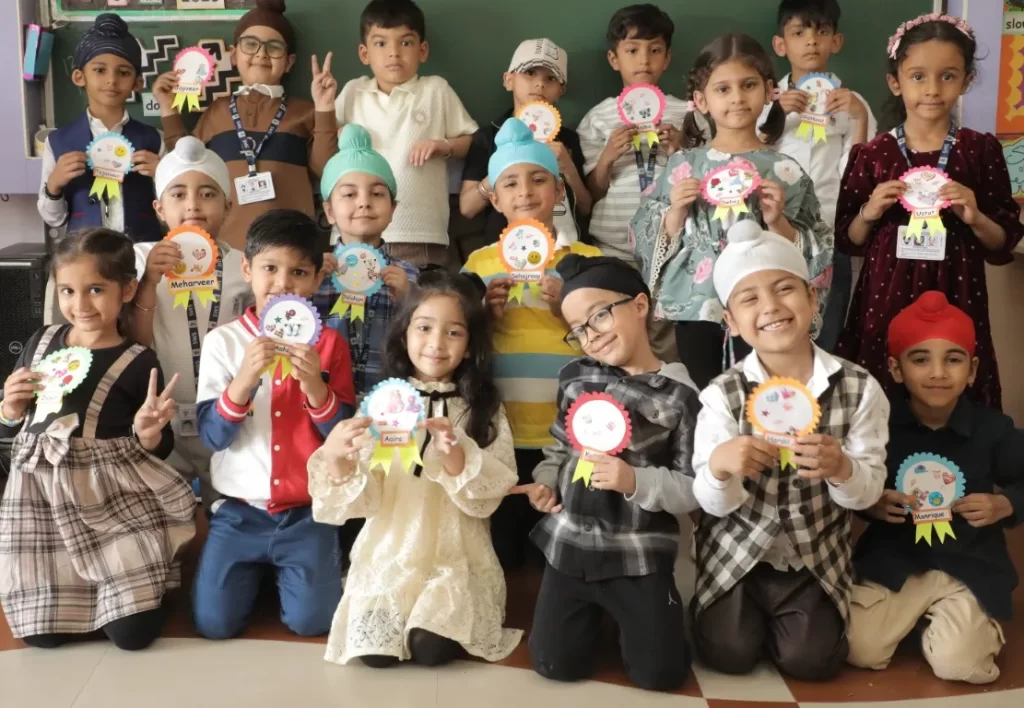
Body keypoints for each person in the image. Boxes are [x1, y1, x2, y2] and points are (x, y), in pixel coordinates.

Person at [691, 220, 888, 680]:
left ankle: (792, 617)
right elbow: (709, 501)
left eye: (785, 289)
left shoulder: (859, 388)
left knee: (812, 661)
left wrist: (842, 468)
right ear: (731, 322)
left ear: (812, 298)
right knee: (728, 653)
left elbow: (869, 491)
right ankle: (736, 610)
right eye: (749, 298)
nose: (771, 307)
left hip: (814, 555)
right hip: (737, 551)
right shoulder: (721, 394)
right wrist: (720, 467)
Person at [308, 269, 521, 668]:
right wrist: (337, 459)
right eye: (424, 328)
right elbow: (366, 498)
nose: (436, 344)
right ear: (404, 334)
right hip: (390, 550)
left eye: (453, 332)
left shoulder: (481, 406)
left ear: (470, 345)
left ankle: (440, 611)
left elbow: (490, 492)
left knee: (430, 648)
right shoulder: (382, 402)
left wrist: (455, 454)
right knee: (374, 655)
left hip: (454, 554)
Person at [0, 229, 195, 650]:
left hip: (110, 499)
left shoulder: (138, 360)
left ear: (127, 289)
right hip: (41, 500)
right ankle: (82, 596)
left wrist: (148, 433)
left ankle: (139, 587)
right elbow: (10, 426)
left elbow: (158, 448)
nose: (81, 305)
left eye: (96, 289)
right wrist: (9, 410)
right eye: (68, 291)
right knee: (41, 637)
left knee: (133, 636)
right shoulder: (40, 342)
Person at [513, 255, 699, 692]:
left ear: (640, 305)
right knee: (553, 664)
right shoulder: (574, 377)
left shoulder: (680, 396)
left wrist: (635, 481)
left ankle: (632, 617)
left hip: (637, 553)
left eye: (599, 316)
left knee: (660, 675)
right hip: (571, 545)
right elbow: (559, 446)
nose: (591, 335)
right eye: (578, 329)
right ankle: (593, 614)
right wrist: (546, 480)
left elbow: (693, 489)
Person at [834, 14, 1023, 411]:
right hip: (884, 295)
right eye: (918, 76)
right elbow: (848, 237)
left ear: (967, 80)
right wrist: (869, 211)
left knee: (950, 382)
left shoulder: (979, 150)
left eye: (948, 76)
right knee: (884, 385)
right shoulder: (873, 154)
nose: (933, 90)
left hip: (957, 292)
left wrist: (976, 217)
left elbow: (1002, 241)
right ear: (895, 82)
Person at [631, 32, 834, 390]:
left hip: (764, 307)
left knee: (762, 390)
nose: (737, 97)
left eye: (748, 85)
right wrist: (675, 212)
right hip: (698, 306)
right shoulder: (683, 165)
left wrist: (778, 221)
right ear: (701, 100)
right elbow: (645, 234)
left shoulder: (786, 170)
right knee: (707, 393)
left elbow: (816, 245)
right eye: (723, 89)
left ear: (769, 91)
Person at [192, 209, 356, 639]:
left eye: (298, 272)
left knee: (312, 622)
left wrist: (316, 388)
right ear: (247, 269)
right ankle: (263, 572)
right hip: (239, 512)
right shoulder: (223, 342)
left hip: (308, 512)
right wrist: (243, 381)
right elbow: (212, 436)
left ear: (317, 279)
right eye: (270, 268)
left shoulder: (330, 344)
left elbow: (343, 435)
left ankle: (284, 573)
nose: (283, 283)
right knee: (214, 624)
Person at [848, 291, 1022, 684]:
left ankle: (956, 623)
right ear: (896, 369)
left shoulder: (994, 430)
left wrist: (1006, 503)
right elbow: (849, 481)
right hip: (896, 563)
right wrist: (870, 502)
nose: (938, 373)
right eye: (921, 359)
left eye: (953, 359)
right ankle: (918, 619)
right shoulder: (877, 428)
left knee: (962, 666)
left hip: (969, 568)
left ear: (972, 369)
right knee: (859, 649)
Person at [462, 118, 601, 570]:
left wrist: (569, 309)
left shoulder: (587, 263)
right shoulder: (477, 264)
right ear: (495, 199)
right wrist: (484, 317)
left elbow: (609, 344)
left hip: (570, 434)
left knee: (561, 551)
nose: (525, 191)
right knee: (502, 550)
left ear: (559, 191)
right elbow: (456, 345)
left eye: (539, 179)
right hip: (498, 433)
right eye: (511, 183)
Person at [153, 0, 339, 249]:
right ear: (234, 54)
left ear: (289, 62)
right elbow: (185, 163)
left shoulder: (304, 113)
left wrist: (324, 108)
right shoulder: (217, 112)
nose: (261, 54)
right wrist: (168, 109)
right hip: (225, 249)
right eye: (251, 44)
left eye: (274, 47)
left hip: (290, 249)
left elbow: (326, 172)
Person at [130, 137, 253, 497]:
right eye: (179, 194)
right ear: (159, 208)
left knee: (227, 504)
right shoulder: (140, 259)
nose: (193, 205)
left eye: (208, 194)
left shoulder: (244, 265)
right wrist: (149, 281)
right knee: (168, 509)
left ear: (228, 206)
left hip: (226, 414)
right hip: (160, 415)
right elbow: (134, 343)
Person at [578, 4, 693, 363]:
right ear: (614, 59)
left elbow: (702, 179)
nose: (644, 59)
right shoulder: (599, 117)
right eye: (632, 50)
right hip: (614, 246)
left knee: (667, 337)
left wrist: (680, 150)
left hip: (671, 246)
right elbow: (592, 192)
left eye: (654, 50)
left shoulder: (687, 112)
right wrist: (607, 156)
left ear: (667, 57)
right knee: (617, 333)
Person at [763, 0, 876, 351]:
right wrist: (776, 113)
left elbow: (859, 171)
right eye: (799, 33)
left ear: (836, 41)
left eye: (821, 32)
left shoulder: (851, 103)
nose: (811, 41)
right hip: (776, 229)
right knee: (775, 317)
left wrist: (858, 118)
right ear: (781, 44)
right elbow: (749, 156)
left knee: (829, 320)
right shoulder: (765, 100)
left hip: (829, 228)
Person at [336, 0, 478, 268]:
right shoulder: (353, 92)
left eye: (405, 43)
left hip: (421, 232)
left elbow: (469, 140)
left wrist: (443, 146)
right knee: (358, 293)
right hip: (357, 230)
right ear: (364, 54)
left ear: (422, 51)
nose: (394, 53)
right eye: (381, 43)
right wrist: (338, 131)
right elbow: (326, 138)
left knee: (422, 292)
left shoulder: (435, 90)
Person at [38, 14, 163, 242]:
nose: (111, 80)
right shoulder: (58, 142)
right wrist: (53, 184)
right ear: (79, 76)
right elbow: (53, 219)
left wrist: (164, 175)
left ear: (137, 82)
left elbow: (174, 211)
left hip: (142, 253)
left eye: (123, 72)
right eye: (99, 70)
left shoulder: (154, 140)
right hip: (83, 255)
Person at [314, 124, 417, 400]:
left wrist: (408, 298)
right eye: (349, 194)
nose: (364, 203)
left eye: (377, 193)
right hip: (324, 399)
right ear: (329, 211)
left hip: (389, 400)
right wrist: (308, 285)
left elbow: (423, 334)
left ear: (393, 209)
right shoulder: (314, 272)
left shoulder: (408, 275)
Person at [460, 39, 591, 248]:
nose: (540, 84)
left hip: (569, 248)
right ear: (508, 80)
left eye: (551, 78)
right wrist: (503, 167)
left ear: (561, 90)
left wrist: (568, 168)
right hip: (508, 251)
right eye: (529, 73)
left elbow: (585, 207)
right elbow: (467, 208)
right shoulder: (487, 137)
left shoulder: (568, 139)